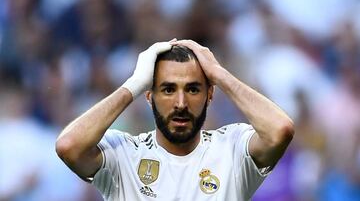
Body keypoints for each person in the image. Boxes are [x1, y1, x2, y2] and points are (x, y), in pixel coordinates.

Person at [56, 39, 294, 201]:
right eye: (168, 90)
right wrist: (134, 85)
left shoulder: (231, 149)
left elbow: (280, 130)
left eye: (192, 89)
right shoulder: (124, 155)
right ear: (149, 96)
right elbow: (69, 146)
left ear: (209, 94)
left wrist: (219, 74)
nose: (181, 103)